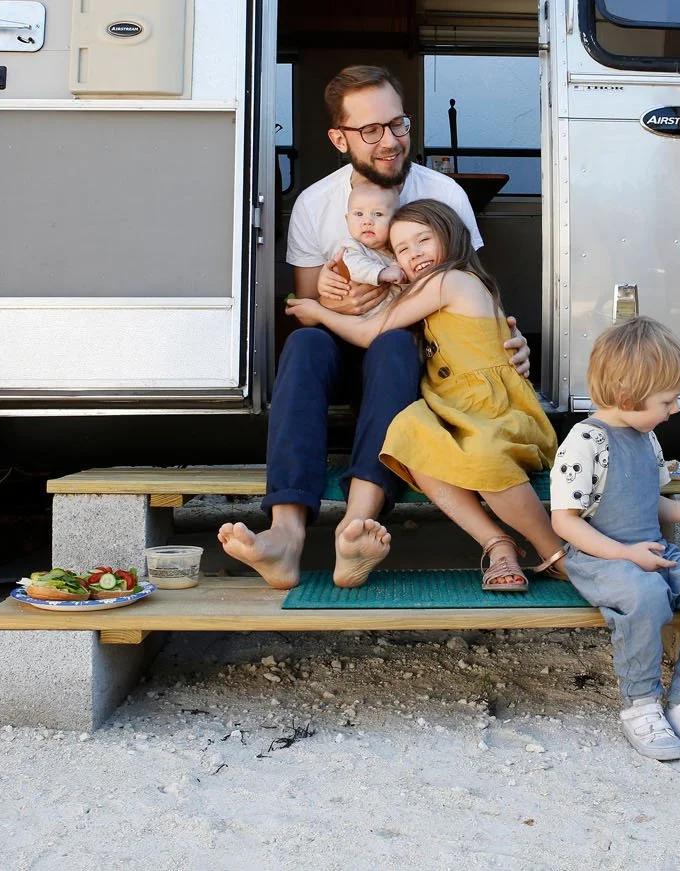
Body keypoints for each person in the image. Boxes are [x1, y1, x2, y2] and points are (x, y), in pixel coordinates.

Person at [218, 65, 528, 590]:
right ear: (339, 139)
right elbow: (303, 301)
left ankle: (355, 527)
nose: (390, 140)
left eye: (397, 124)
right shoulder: (316, 203)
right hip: (342, 347)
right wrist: (328, 294)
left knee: (394, 345)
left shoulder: (444, 193)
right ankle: (285, 534)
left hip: (417, 357)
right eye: (370, 130)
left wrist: (507, 339)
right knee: (305, 343)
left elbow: (476, 289)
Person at [286, 199, 564, 591]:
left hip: (493, 410)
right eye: (402, 249)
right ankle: (496, 543)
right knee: (409, 436)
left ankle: (554, 551)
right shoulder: (427, 292)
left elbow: (369, 332)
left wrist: (319, 312)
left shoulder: (449, 281)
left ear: (450, 235)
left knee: (483, 453)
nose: (414, 253)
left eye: (423, 240)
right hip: (456, 410)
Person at [549, 317, 680, 761]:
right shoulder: (585, 442)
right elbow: (565, 522)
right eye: (667, 400)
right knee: (645, 598)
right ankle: (641, 705)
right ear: (627, 397)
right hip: (600, 556)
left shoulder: (647, 437)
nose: (675, 409)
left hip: (651, 550)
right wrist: (625, 554)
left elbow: (650, 501)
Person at [330, 183, 405, 306]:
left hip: (394, 311)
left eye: (378, 214)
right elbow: (353, 266)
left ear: (395, 220)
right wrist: (382, 273)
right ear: (347, 220)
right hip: (360, 314)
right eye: (359, 214)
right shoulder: (351, 248)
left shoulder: (398, 248)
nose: (367, 221)